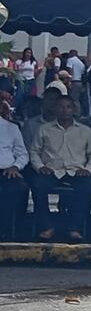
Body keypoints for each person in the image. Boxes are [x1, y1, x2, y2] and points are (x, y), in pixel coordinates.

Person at [29, 95, 91, 242]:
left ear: (74, 109)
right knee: (37, 185)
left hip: (76, 171)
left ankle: (74, 228)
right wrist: (40, 167)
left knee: (87, 187)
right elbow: (34, 151)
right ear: (55, 109)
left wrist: (88, 170)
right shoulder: (44, 129)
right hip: (51, 170)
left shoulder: (85, 131)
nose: (64, 110)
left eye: (68, 107)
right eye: (60, 106)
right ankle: (47, 227)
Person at [0, 103, 29, 240]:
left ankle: (12, 231)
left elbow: (23, 154)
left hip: (6, 171)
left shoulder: (11, 128)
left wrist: (16, 166)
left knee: (20, 188)